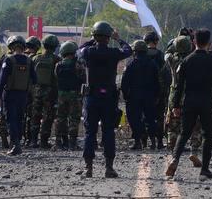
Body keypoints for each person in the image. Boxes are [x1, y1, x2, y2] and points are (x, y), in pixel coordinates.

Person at [77, 21, 133, 178]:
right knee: (108, 131)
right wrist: (118, 39)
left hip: (92, 97)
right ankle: (109, 167)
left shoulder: (88, 52)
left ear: (94, 36)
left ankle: (88, 168)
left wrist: (92, 39)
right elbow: (128, 50)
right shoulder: (114, 53)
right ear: (109, 37)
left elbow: (78, 50)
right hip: (108, 97)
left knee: (90, 132)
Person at [166, 29, 212, 179]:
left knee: (184, 133)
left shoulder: (187, 61)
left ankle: (175, 160)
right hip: (207, 101)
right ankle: (205, 169)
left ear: (194, 42)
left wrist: (176, 105)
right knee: (207, 135)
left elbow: (179, 86)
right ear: (209, 43)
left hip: (189, 101)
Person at [163, 35, 201, 165]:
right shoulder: (193, 59)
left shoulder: (172, 59)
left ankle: (173, 153)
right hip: (191, 94)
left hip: (175, 94)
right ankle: (194, 151)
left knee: (173, 125)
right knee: (195, 125)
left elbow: (166, 53)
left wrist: (173, 45)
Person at [0, 35, 36, 155]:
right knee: (19, 119)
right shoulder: (29, 61)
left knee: (11, 119)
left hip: (9, 94)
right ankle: (17, 142)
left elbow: (1, 80)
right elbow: (35, 79)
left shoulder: (8, 60)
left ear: (11, 47)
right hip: (23, 95)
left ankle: (15, 145)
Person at [121, 40, 162, 150]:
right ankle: (153, 141)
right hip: (150, 95)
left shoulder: (131, 64)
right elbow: (157, 82)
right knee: (151, 118)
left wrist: (125, 95)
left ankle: (138, 141)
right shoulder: (153, 64)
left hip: (134, 96)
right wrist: (157, 95)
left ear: (135, 51)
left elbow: (125, 82)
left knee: (134, 119)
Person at [28, 35, 61, 148]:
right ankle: (43, 142)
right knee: (48, 117)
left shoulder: (35, 58)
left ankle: (33, 141)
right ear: (55, 46)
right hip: (50, 92)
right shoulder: (56, 59)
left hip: (36, 91)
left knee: (35, 116)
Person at [54, 41, 85, 149]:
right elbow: (83, 78)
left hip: (61, 95)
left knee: (61, 118)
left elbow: (56, 78)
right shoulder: (78, 65)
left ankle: (59, 142)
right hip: (74, 95)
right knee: (74, 119)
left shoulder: (58, 65)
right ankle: (72, 143)